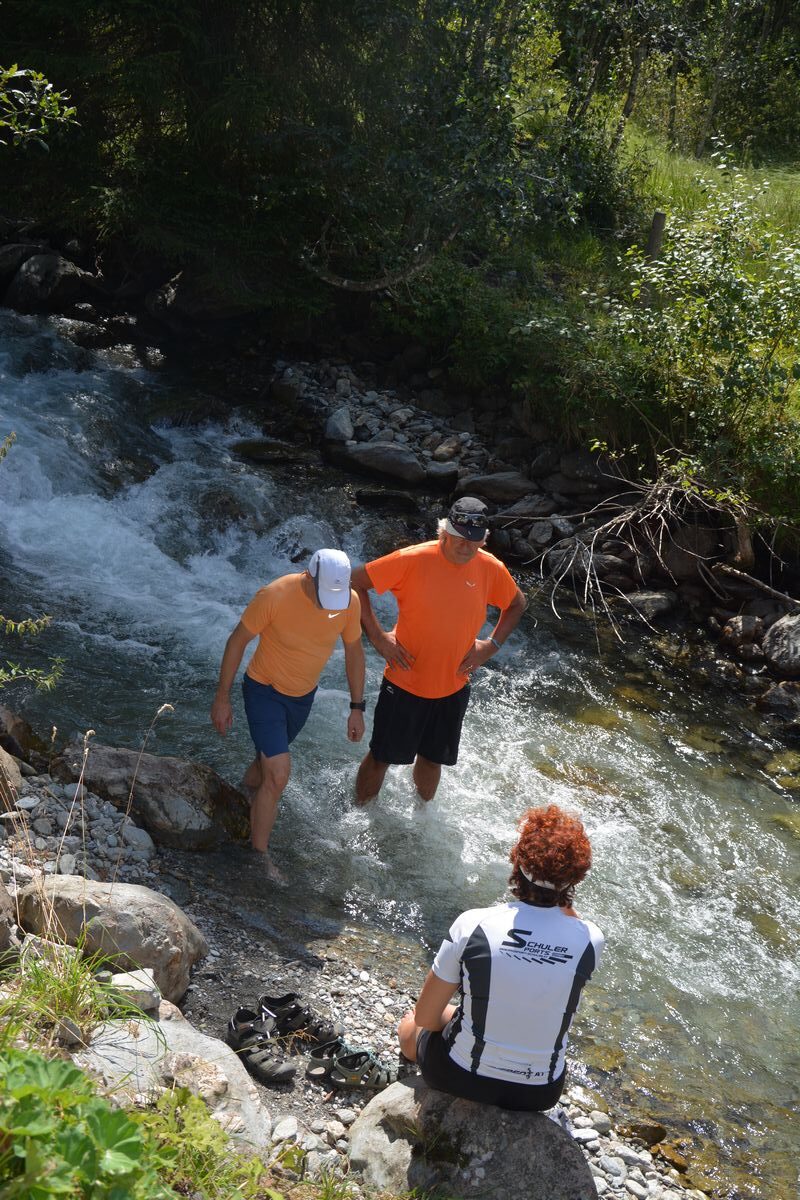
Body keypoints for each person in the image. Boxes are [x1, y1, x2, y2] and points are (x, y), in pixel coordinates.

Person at [398, 804, 604, 1110]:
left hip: (460, 1076)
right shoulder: (591, 939)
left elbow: (426, 1017)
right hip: (539, 1093)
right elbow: (564, 929)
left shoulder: (474, 923)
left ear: (517, 861)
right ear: (577, 877)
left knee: (409, 1026)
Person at [352, 497, 526, 805]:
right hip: (405, 680)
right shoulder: (412, 559)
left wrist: (490, 646)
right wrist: (378, 638)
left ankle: (423, 818)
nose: (465, 547)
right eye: (459, 538)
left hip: (453, 686)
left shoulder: (490, 568)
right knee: (381, 756)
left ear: (483, 539)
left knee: (433, 759)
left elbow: (516, 604)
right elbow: (356, 582)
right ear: (444, 532)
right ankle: (359, 811)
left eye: (474, 541)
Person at [211, 548, 366, 879]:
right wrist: (222, 697)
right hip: (263, 690)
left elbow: (354, 650)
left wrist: (357, 707)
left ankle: (242, 798)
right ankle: (258, 857)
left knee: (265, 763)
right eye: (325, 594)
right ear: (309, 576)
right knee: (279, 773)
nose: (329, 603)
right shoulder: (275, 595)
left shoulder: (349, 601)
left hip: (302, 697)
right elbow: (237, 641)